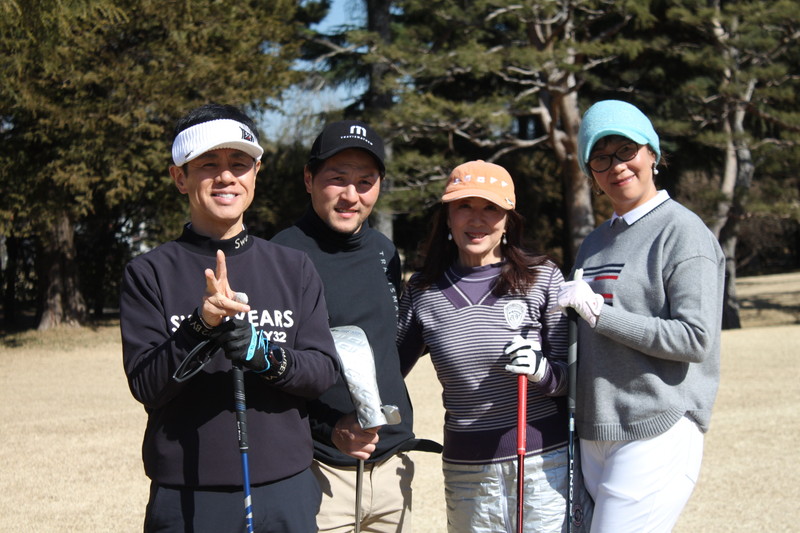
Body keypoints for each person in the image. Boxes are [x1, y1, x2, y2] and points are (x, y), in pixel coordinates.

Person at [120, 103, 340, 533]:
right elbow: (146, 385)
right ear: (180, 177)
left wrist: (264, 354)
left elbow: (321, 372)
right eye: (208, 164)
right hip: (187, 494)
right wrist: (200, 327)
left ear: (255, 173)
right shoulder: (148, 272)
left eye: (239, 163)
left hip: (286, 489)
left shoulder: (293, 267)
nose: (226, 176)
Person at [556, 99, 725, 532]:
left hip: (656, 426)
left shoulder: (682, 232)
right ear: (591, 173)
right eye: (600, 157)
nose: (616, 166)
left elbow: (695, 338)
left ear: (652, 153)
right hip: (595, 430)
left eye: (626, 150)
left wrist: (602, 314)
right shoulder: (594, 242)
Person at [396, 160, 591, 532]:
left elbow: (575, 378)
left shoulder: (542, 276)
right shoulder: (423, 290)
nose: (477, 219)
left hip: (543, 463)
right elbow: (390, 370)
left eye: (490, 207)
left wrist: (542, 371)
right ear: (448, 216)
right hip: (467, 471)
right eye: (464, 206)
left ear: (508, 220)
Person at [272, 120, 433, 533]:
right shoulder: (280, 256)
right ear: (309, 179)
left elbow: (386, 347)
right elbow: (272, 375)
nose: (351, 195)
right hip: (319, 470)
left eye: (365, 182)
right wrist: (330, 429)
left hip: (393, 467)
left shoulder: (384, 250)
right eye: (337, 179)